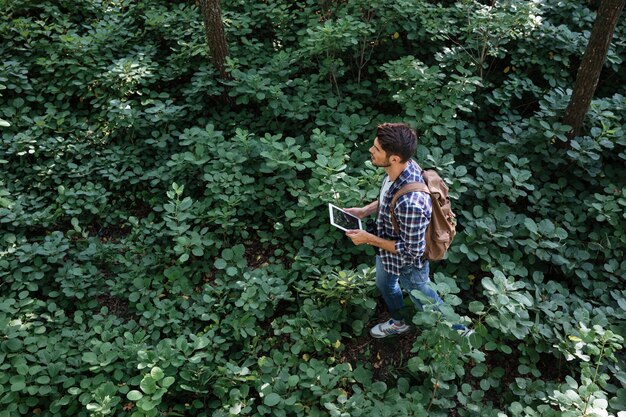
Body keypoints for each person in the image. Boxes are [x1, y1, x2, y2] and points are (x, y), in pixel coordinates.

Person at [345, 122, 465, 338]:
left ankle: (458, 334)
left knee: (425, 300)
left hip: (409, 264)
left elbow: (412, 252)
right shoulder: (401, 167)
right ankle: (400, 322)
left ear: (394, 158)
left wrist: (368, 239)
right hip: (387, 252)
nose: (371, 151)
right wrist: (364, 211)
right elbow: (389, 198)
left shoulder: (412, 203)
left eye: (377, 149)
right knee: (384, 284)